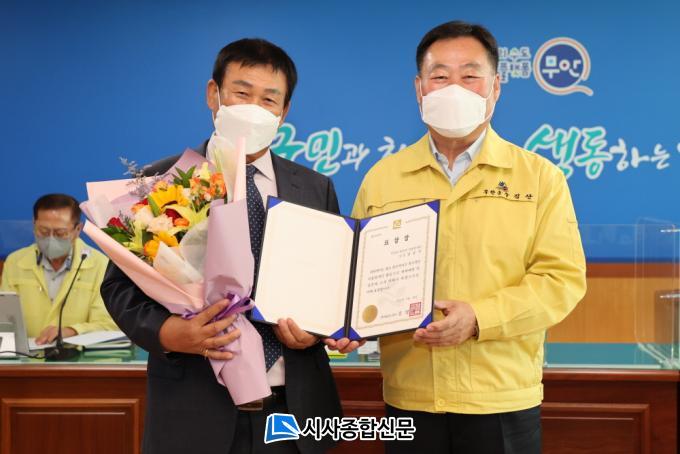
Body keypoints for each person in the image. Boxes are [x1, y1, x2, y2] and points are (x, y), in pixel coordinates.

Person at [100, 38, 357, 454]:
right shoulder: (162, 180)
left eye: (269, 99)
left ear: (284, 111)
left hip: (294, 410)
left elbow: (334, 285)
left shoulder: (314, 188)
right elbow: (119, 288)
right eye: (242, 92)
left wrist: (317, 330)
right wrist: (171, 333)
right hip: (193, 410)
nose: (254, 108)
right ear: (213, 94)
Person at [351, 21, 587, 453]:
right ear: (419, 89)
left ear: (495, 87)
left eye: (470, 75)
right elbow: (356, 278)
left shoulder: (539, 178)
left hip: (500, 398)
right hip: (410, 396)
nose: (454, 89)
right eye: (440, 76)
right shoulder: (383, 179)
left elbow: (561, 281)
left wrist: (480, 318)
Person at [0, 193, 116, 343]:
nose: (51, 238)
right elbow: (5, 321)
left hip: (77, 355)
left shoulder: (100, 265)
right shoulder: (15, 262)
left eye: (60, 233)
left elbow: (109, 324)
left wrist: (72, 331)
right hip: (27, 354)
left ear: (77, 229)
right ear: (34, 224)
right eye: (43, 231)